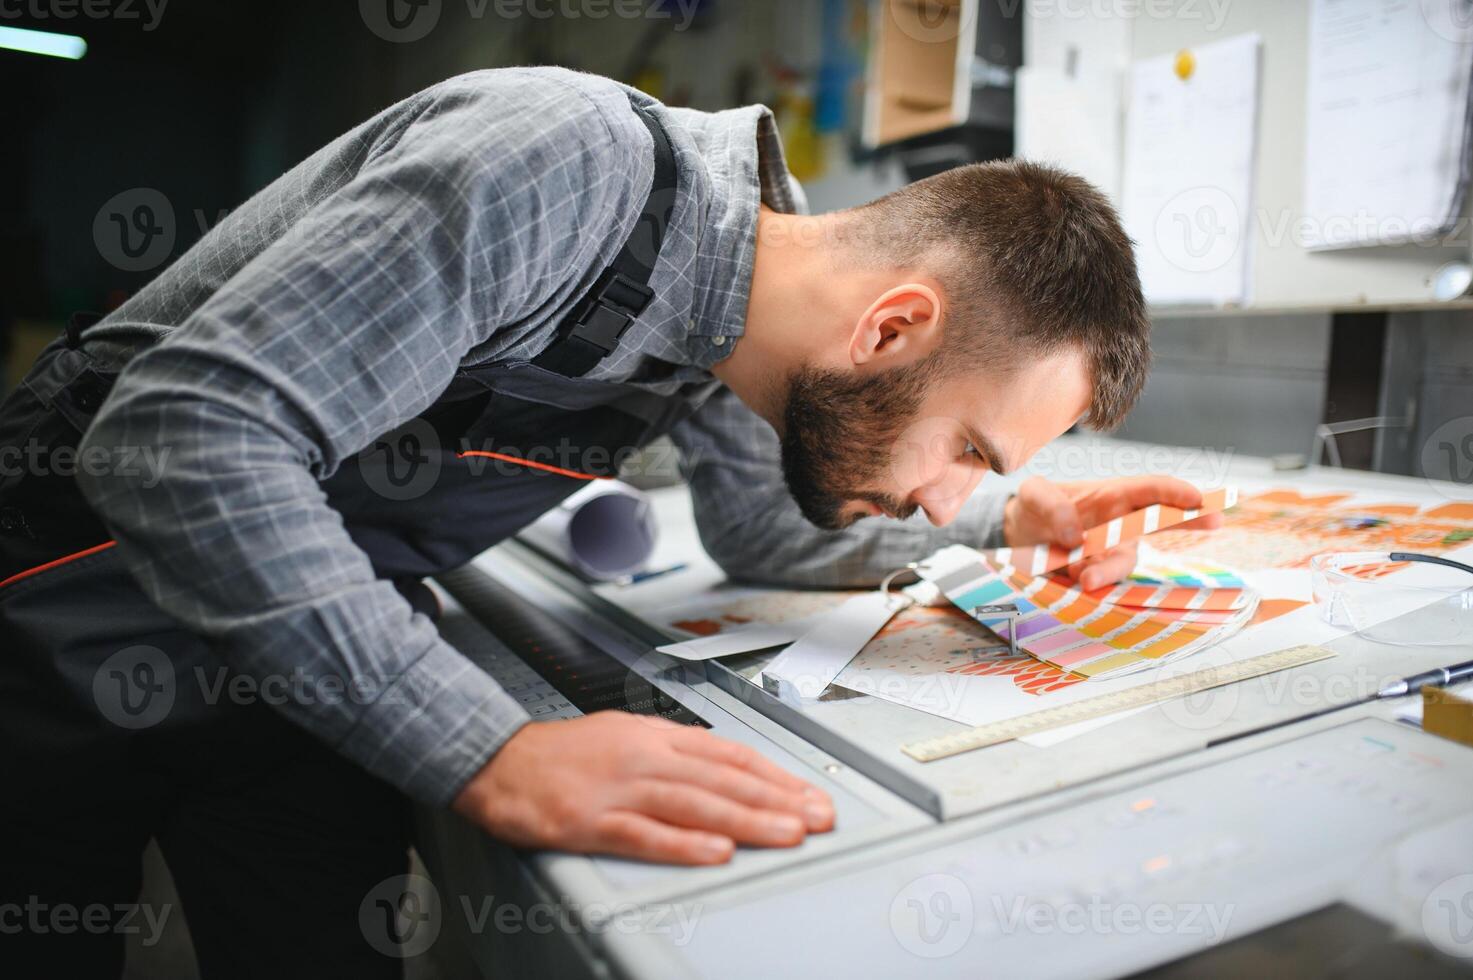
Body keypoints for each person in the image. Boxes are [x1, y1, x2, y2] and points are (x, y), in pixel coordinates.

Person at [0, 67, 1214, 975]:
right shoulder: (562, 163)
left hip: (309, 635)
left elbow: (769, 534)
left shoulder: (744, 329)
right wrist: (487, 745)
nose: (947, 492)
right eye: (971, 450)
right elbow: (183, 436)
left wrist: (1013, 514)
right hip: (71, 584)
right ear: (890, 327)